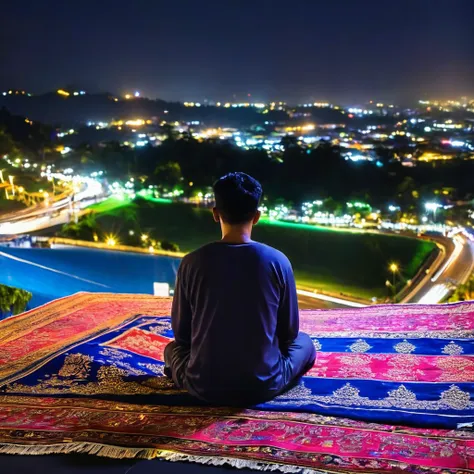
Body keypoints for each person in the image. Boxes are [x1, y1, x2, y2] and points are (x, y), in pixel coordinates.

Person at [164, 172, 316, 405]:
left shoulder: (191, 262)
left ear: (216, 214)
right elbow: (290, 333)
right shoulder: (277, 261)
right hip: (263, 385)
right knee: (305, 344)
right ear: (256, 216)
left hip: (203, 385)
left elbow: (182, 336)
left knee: (171, 349)